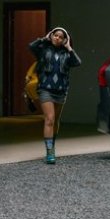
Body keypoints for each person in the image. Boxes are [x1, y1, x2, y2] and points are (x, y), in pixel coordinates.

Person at [29, 26, 81, 164]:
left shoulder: (66, 54)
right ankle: (50, 152)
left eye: (61, 37)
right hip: (45, 89)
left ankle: (52, 144)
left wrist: (69, 47)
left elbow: (77, 62)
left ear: (65, 39)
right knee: (50, 119)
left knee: (56, 121)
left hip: (61, 91)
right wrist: (43, 39)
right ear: (51, 36)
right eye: (55, 35)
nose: (57, 38)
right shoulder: (43, 50)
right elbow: (31, 46)